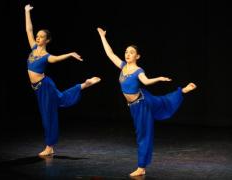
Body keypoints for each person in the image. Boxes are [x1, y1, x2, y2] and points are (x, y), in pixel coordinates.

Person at [97, 27, 196, 177]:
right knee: (159, 105)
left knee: (144, 134)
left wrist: (159, 79)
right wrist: (102, 36)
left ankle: (141, 167)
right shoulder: (123, 66)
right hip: (134, 105)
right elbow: (110, 53)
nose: (127, 54)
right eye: (126, 52)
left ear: (137, 56)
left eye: (131, 52)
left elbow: (146, 81)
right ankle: (181, 92)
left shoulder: (138, 70)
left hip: (141, 104)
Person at [24, 4, 101, 156]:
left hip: (45, 86)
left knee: (49, 113)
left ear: (47, 40)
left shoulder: (47, 56)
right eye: (37, 36)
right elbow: (29, 30)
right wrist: (27, 12)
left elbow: (57, 58)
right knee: (60, 100)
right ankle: (83, 85)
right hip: (38, 89)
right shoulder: (33, 48)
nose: (38, 38)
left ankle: (49, 146)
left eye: (41, 37)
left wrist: (70, 53)